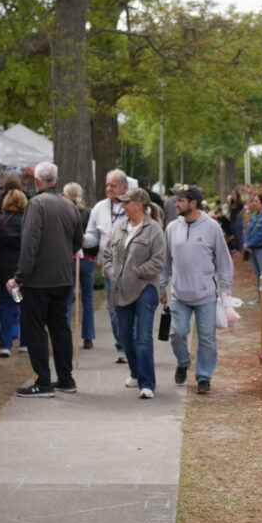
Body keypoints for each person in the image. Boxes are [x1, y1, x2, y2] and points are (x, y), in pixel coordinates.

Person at [7, 162, 83, 397]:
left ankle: (43, 381)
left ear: (37, 182)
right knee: (60, 327)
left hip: (39, 279)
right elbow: (78, 241)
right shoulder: (70, 205)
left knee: (35, 328)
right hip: (63, 277)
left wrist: (19, 277)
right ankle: (66, 378)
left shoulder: (36, 204)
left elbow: (29, 243)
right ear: (56, 181)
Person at [159, 184, 233, 394]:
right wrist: (162, 286)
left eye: (180, 200)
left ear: (192, 203)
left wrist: (226, 290)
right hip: (179, 295)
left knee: (207, 338)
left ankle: (203, 376)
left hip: (205, 295)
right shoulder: (172, 227)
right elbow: (166, 260)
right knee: (177, 334)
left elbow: (224, 260)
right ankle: (183, 362)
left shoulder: (211, 227)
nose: (176, 204)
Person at [102, 188, 166, 399]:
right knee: (124, 335)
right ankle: (135, 372)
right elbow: (107, 255)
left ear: (138, 204)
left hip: (145, 289)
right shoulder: (120, 227)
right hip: (121, 289)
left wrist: (136, 272)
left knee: (143, 337)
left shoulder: (154, 229)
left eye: (127, 203)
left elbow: (158, 261)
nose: (123, 206)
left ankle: (147, 384)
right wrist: (112, 272)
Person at [83, 169, 129, 363]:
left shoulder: (133, 205)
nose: (109, 189)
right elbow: (92, 236)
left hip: (131, 267)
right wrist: (80, 240)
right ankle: (121, 346)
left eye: (113, 185)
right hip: (109, 267)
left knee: (130, 308)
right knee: (113, 311)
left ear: (124, 188)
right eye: (107, 185)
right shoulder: (99, 208)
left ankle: (131, 346)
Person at [0, 188, 27, 357]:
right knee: (24, 305)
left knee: (7, 306)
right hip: (24, 271)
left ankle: (6, 345)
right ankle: (25, 343)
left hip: (3, 271)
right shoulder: (27, 221)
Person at [63, 182, 96, 350]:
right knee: (87, 298)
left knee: (68, 298)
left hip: (69, 259)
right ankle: (88, 337)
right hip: (86, 260)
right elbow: (94, 236)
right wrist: (94, 255)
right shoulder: (88, 213)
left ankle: (66, 336)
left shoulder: (64, 212)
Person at [242, 193, 262, 300]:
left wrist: (249, 244)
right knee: (257, 274)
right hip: (252, 250)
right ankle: (261, 297)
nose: (254, 203)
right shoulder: (253, 216)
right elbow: (248, 231)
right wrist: (246, 243)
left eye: (256, 201)